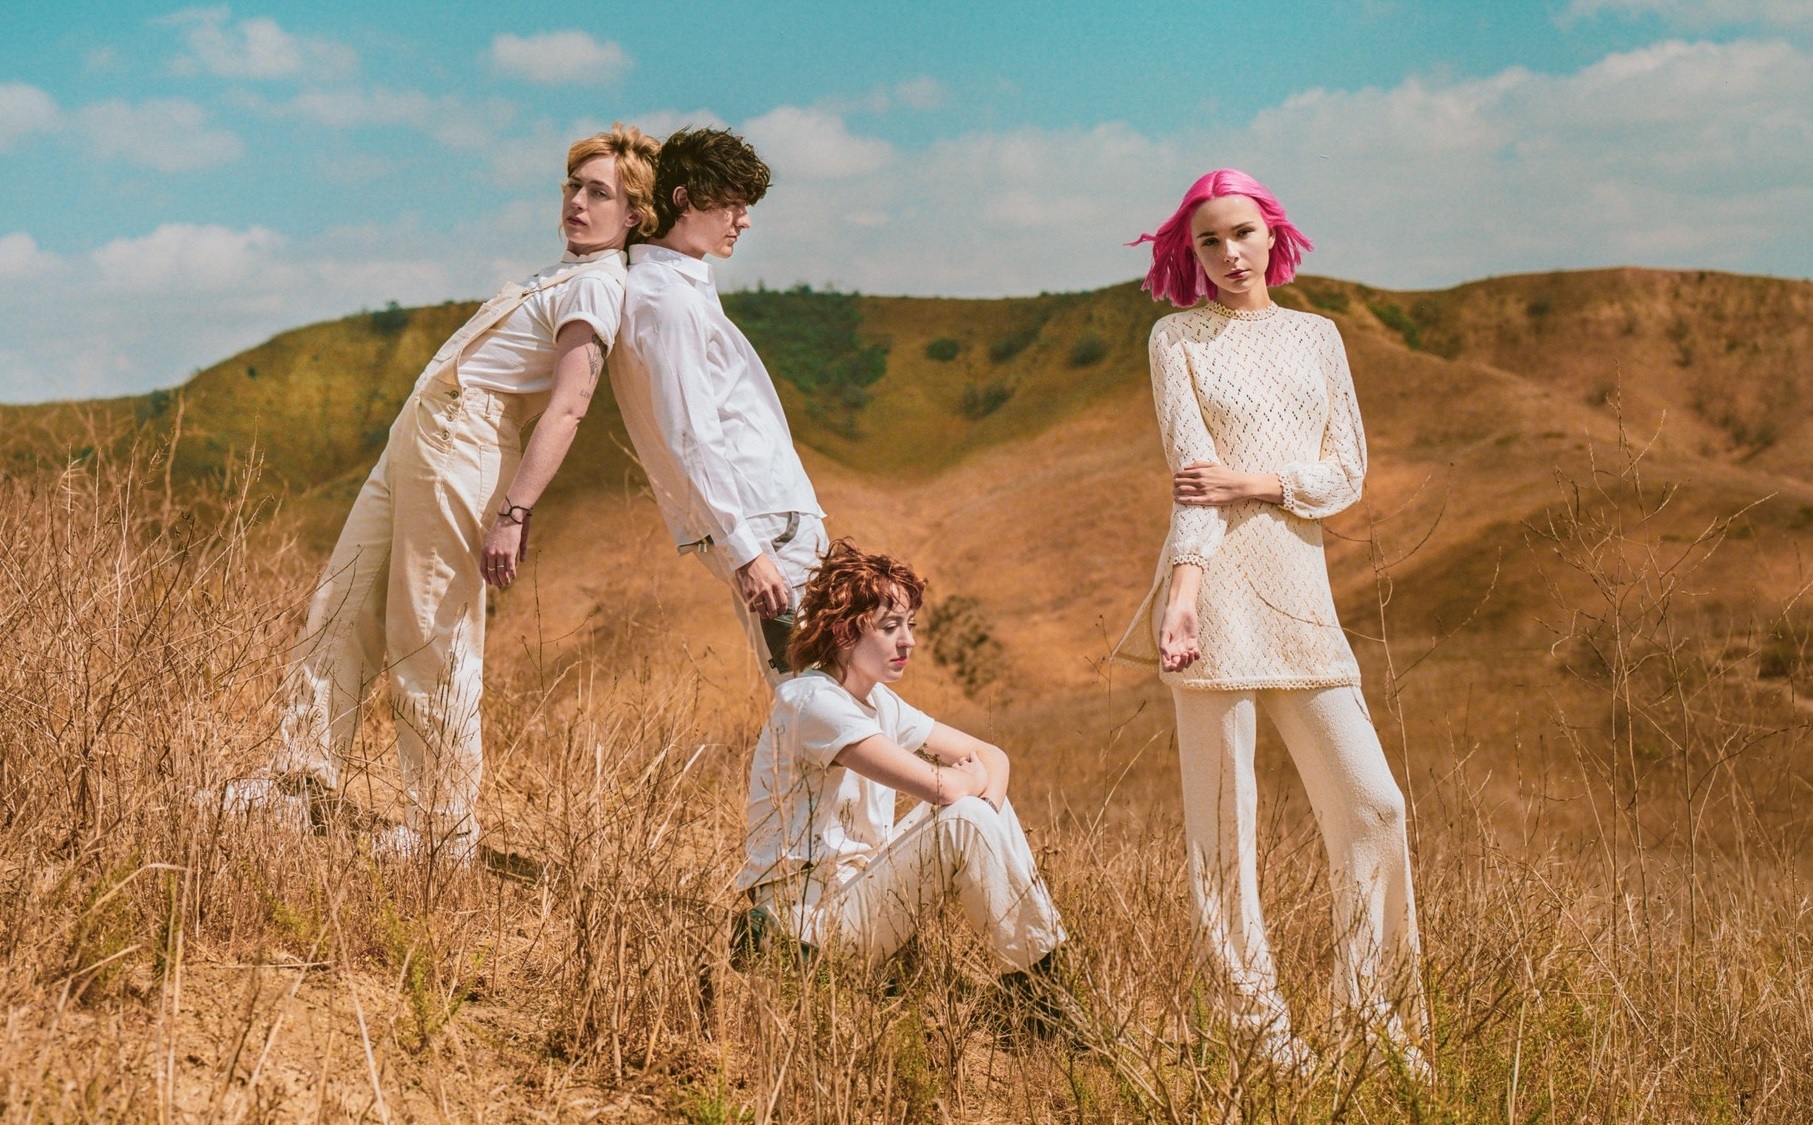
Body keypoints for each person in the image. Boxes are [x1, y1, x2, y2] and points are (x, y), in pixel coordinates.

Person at [211, 126, 662, 865]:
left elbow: (569, 407)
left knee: (429, 628)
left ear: (634, 214)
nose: (578, 203)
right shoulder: (562, 272)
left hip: (465, 442)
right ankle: (299, 781)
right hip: (418, 434)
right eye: (572, 187)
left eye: (598, 192)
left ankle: (441, 827)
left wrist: (514, 512)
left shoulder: (596, 285)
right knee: (342, 603)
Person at [1112, 169, 1430, 1078]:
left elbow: (1345, 473)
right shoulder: (1176, 338)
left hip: (1301, 600)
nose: (1228, 253)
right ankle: (1254, 1030)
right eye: (1207, 241)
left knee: (1374, 804)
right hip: (1213, 597)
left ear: (1273, 235)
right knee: (1224, 827)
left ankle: (1375, 1024)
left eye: (1241, 233)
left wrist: (1256, 481)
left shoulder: (1317, 336)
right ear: (1189, 254)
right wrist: (1181, 593)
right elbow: (1192, 482)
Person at [737, 541, 1066, 985]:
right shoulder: (811, 702)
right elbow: (944, 789)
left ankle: (1039, 978)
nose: (908, 640)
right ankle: (1039, 987)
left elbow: (994, 756)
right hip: (807, 924)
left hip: (858, 893)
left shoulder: (879, 702)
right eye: (890, 626)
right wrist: (969, 791)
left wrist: (983, 805)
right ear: (845, 633)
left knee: (983, 810)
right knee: (965, 815)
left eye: (909, 625)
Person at [608, 127, 825, 685]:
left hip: (767, 520)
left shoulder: (678, 290)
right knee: (817, 692)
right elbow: (690, 434)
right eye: (731, 204)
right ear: (683, 199)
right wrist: (745, 553)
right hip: (764, 525)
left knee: (823, 690)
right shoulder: (668, 301)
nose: (743, 220)